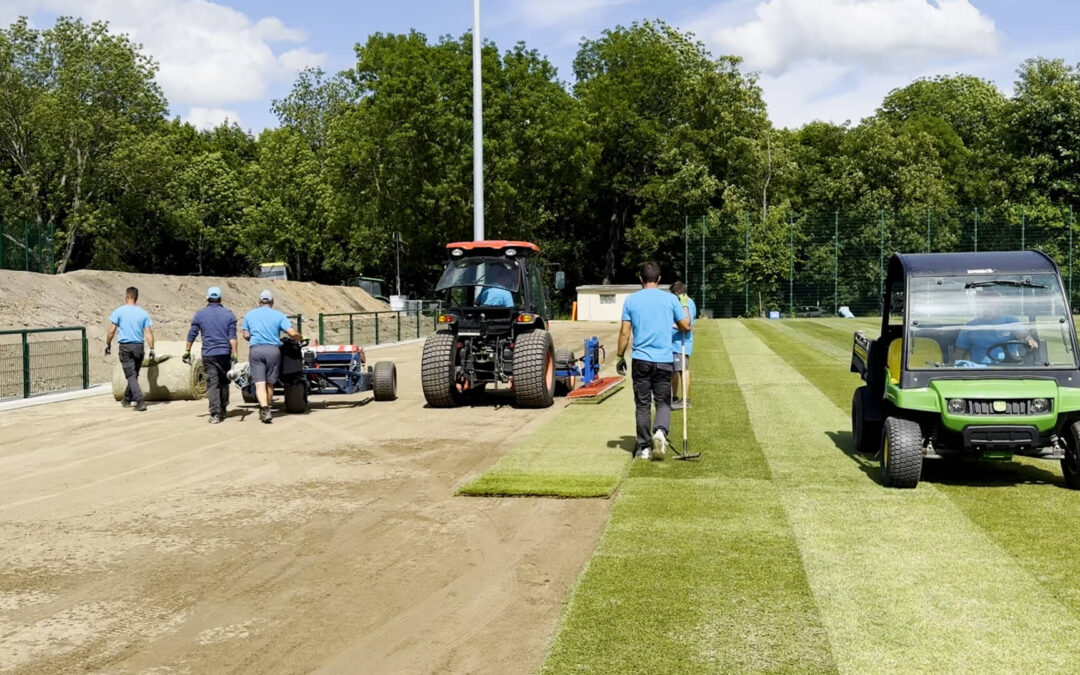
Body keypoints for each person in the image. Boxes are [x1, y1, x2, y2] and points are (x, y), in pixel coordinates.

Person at [616, 262, 692, 460]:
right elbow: (686, 325)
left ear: (641, 279)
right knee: (663, 401)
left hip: (640, 359)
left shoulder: (631, 300)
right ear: (659, 280)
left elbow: (625, 332)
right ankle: (660, 431)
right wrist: (683, 303)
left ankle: (644, 447)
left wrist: (619, 356)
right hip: (664, 359)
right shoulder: (670, 299)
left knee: (642, 404)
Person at [242, 289, 302, 423]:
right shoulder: (279, 315)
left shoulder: (250, 315)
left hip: (256, 350)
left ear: (259, 302)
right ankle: (268, 406)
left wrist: (256, 339)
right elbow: (292, 333)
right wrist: (300, 337)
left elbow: (245, 335)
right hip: (273, 351)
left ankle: (264, 409)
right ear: (272, 302)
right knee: (269, 383)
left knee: (259, 383)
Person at [184, 286, 238, 424]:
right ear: (220, 299)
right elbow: (232, 337)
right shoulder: (229, 314)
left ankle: (215, 414)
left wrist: (187, 351)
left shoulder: (200, 315)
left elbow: (192, 334)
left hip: (209, 354)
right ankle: (223, 409)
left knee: (212, 384)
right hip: (225, 353)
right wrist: (235, 353)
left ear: (207, 298)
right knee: (224, 381)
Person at [955, 288, 1038, 364]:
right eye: (985, 301)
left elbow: (1023, 335)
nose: (988, 304)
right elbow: (958, 353)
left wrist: (1029, 339)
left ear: (998, 304)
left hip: (1008, 369)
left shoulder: (1010, 321)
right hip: (979, 373)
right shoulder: (970, 327)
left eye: (991, 301)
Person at [105, 286, 155, 412]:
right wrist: (152, 348)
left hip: (126, 347)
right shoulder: (143, 313)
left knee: (131, 375)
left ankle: (139, 401)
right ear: (136, 298)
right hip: (139, 346)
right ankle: (127, 399)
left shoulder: (119, 311)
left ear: (126, 296)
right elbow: (149, 333)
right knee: (134, 374)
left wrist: (108, 344)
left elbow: (111, 330)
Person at [669, 281, 696, 410]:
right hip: (675, 344)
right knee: (674, 371)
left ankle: (685, 400)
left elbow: (687, 324)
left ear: (678, 293)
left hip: (681, 343)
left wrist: (669, 326)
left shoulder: (687, 303)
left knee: (683, 370)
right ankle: (674, 397)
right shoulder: (681, 303)